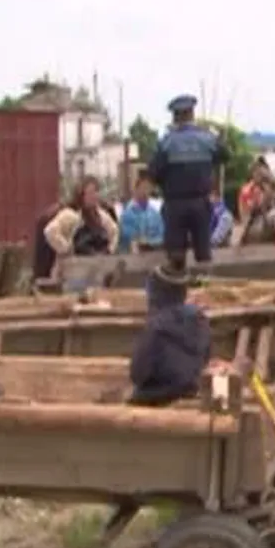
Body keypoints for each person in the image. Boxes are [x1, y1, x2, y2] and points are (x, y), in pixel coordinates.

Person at [147, 94, 230, 275]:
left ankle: (177, 291)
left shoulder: (167, 142)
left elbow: (153, 172)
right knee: (203, 253)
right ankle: (205, 290)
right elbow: (224, 156)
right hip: (200, 203)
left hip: (175, 204)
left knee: (176, 255)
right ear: (192, 114)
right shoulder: (207, 138)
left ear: (175, 116)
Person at [128, 264, 211, 406]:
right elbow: (206, 357)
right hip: (191, 390)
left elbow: (137, 374)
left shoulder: (155, 328)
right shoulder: (200, 320)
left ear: (155, 293)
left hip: (155, 398)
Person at [43, 176, 120, 264]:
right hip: (72, 268)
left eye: (96, 191)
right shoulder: (70, 215)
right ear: (81, 195)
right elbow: (50, 231)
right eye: (91, 193)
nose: (95, 196)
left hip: (96, 267)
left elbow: (114, 231)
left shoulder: (101, 215)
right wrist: (66, 249)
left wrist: (109, 251)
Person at [231, 181, 275, 250]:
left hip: (268, 254)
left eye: (258, 194)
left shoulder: (273, 213)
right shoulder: (247, 216)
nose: (256, 198)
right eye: (253, 195)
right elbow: (235, 240)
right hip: (249, 256)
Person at [118, 173, 164, 252]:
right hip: (133, 254)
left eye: (148, 188)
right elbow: (128, 236)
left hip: (154, 252)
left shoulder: (155, 214)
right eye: (143, 188)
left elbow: (162, 234)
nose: (145, 191)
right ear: (135, 190)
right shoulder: (127, 214)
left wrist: (151, 242)